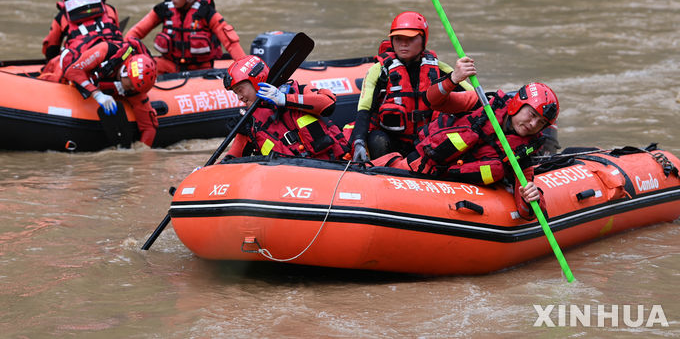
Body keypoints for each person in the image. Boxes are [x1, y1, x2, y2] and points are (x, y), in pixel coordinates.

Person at [383, 56, 558, 220]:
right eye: (532, 114)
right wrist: (454, 78)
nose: (533, 124)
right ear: (518, 104)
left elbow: (525, 210)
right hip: (417, 167)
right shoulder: (481, 104)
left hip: (450, 192)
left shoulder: (522, 154)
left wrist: (532, 197)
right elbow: (433, 100)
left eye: (541, 122)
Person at [351, 11, 460, 162]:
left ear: (423, 40)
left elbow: (475, 99)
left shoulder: (441, 70)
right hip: (392, 140)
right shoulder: (379, 71)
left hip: (427, 141)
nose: (403, 44)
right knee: (377, 140)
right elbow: (364, 110)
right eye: (398, 38)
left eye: (410, 38)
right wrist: (358, 142)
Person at [223, 55, 350, 160]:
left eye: (240, 90)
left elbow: (328, 104)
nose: (239, 97)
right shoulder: (250, 123)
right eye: (236, 93)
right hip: (293, 179)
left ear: (257, 81)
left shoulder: (298, 91)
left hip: (335, 166)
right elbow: (233, 156)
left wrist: (285, 99)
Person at [124, 0, 246, 74]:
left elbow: (230, 43)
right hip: (170, 65)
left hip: (201, 69)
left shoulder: (206, 13)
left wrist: (245, 68)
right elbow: (135, 33)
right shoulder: (164, 10)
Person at [63, 37, 159, 147]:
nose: (132, 90)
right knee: (59, 66)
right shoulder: (105, 51)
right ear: (125, 73)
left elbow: (149, 128)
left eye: (135, 88)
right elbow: (72, 71)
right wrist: (97, 94)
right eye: (131, 86)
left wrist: (142, 157)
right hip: (83, 57)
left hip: (109, 80)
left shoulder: (136, 87)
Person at [39, 0, 122, 82]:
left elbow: (51, 47)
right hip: (116, 60)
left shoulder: (62, 16)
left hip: (85, 66)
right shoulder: (109, 9)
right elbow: (117, 35)